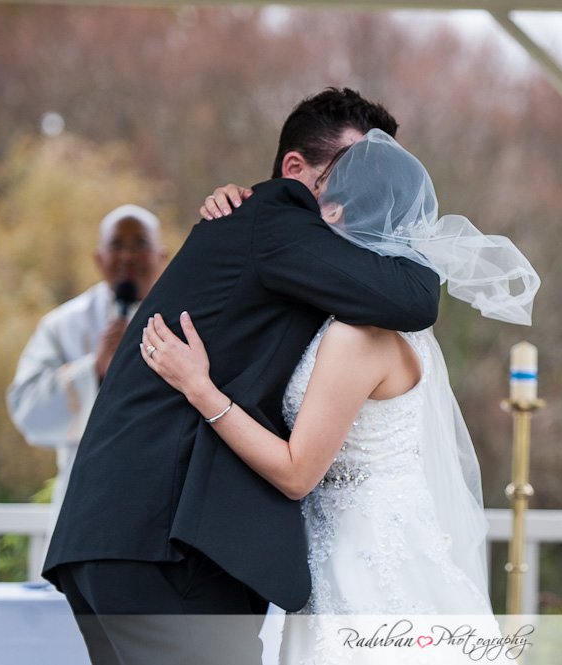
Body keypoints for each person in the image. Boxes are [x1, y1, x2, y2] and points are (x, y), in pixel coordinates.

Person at [41, 88, 440, 665]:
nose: (363, 194)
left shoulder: (266, 230)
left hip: (125, 537)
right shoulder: (275, 220)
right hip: (159, 542)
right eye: (354, 172)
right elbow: (415, 299)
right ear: (294, 169)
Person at [141, 129, 540, 663]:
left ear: (336, 211)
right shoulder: (383, 320)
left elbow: (296, 472)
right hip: (367, 538)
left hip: (365, 556)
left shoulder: (356, 335)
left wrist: (200, 388)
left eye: (322, 193)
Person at [7, 205, 167, 516]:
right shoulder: (63, 324)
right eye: (116, 246)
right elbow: (25, 407)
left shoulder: (186, 319)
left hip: (161, 493)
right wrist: (93, 371)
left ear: (162, 256)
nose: (128, 257)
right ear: (98, 258)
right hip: (86, 496)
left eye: (140, 244)